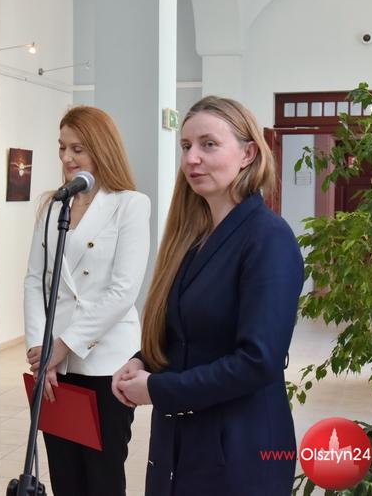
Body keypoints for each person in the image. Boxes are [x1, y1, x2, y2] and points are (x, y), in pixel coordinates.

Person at [112, 96, 304, 496]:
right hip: (182, 443)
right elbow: (187, 330)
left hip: (240, 449)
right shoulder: (194, 239)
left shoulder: (268, 238)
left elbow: (258, 361)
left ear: (248, 153)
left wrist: (158, 389)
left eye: (208, 144)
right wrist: (143, 360)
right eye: (186, 146)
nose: (191, 159)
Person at [23, 106, 151, 496]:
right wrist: (40, 351)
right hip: (55, 366)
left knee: (102, 475)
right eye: (62, 148)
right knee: (64, 474)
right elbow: (35, 281)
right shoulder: (52, 206)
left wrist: (62, 346)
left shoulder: (130, 204)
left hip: (106, 361)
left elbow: (123, 291)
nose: (67, 158)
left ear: (101, 148)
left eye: (77, 149)